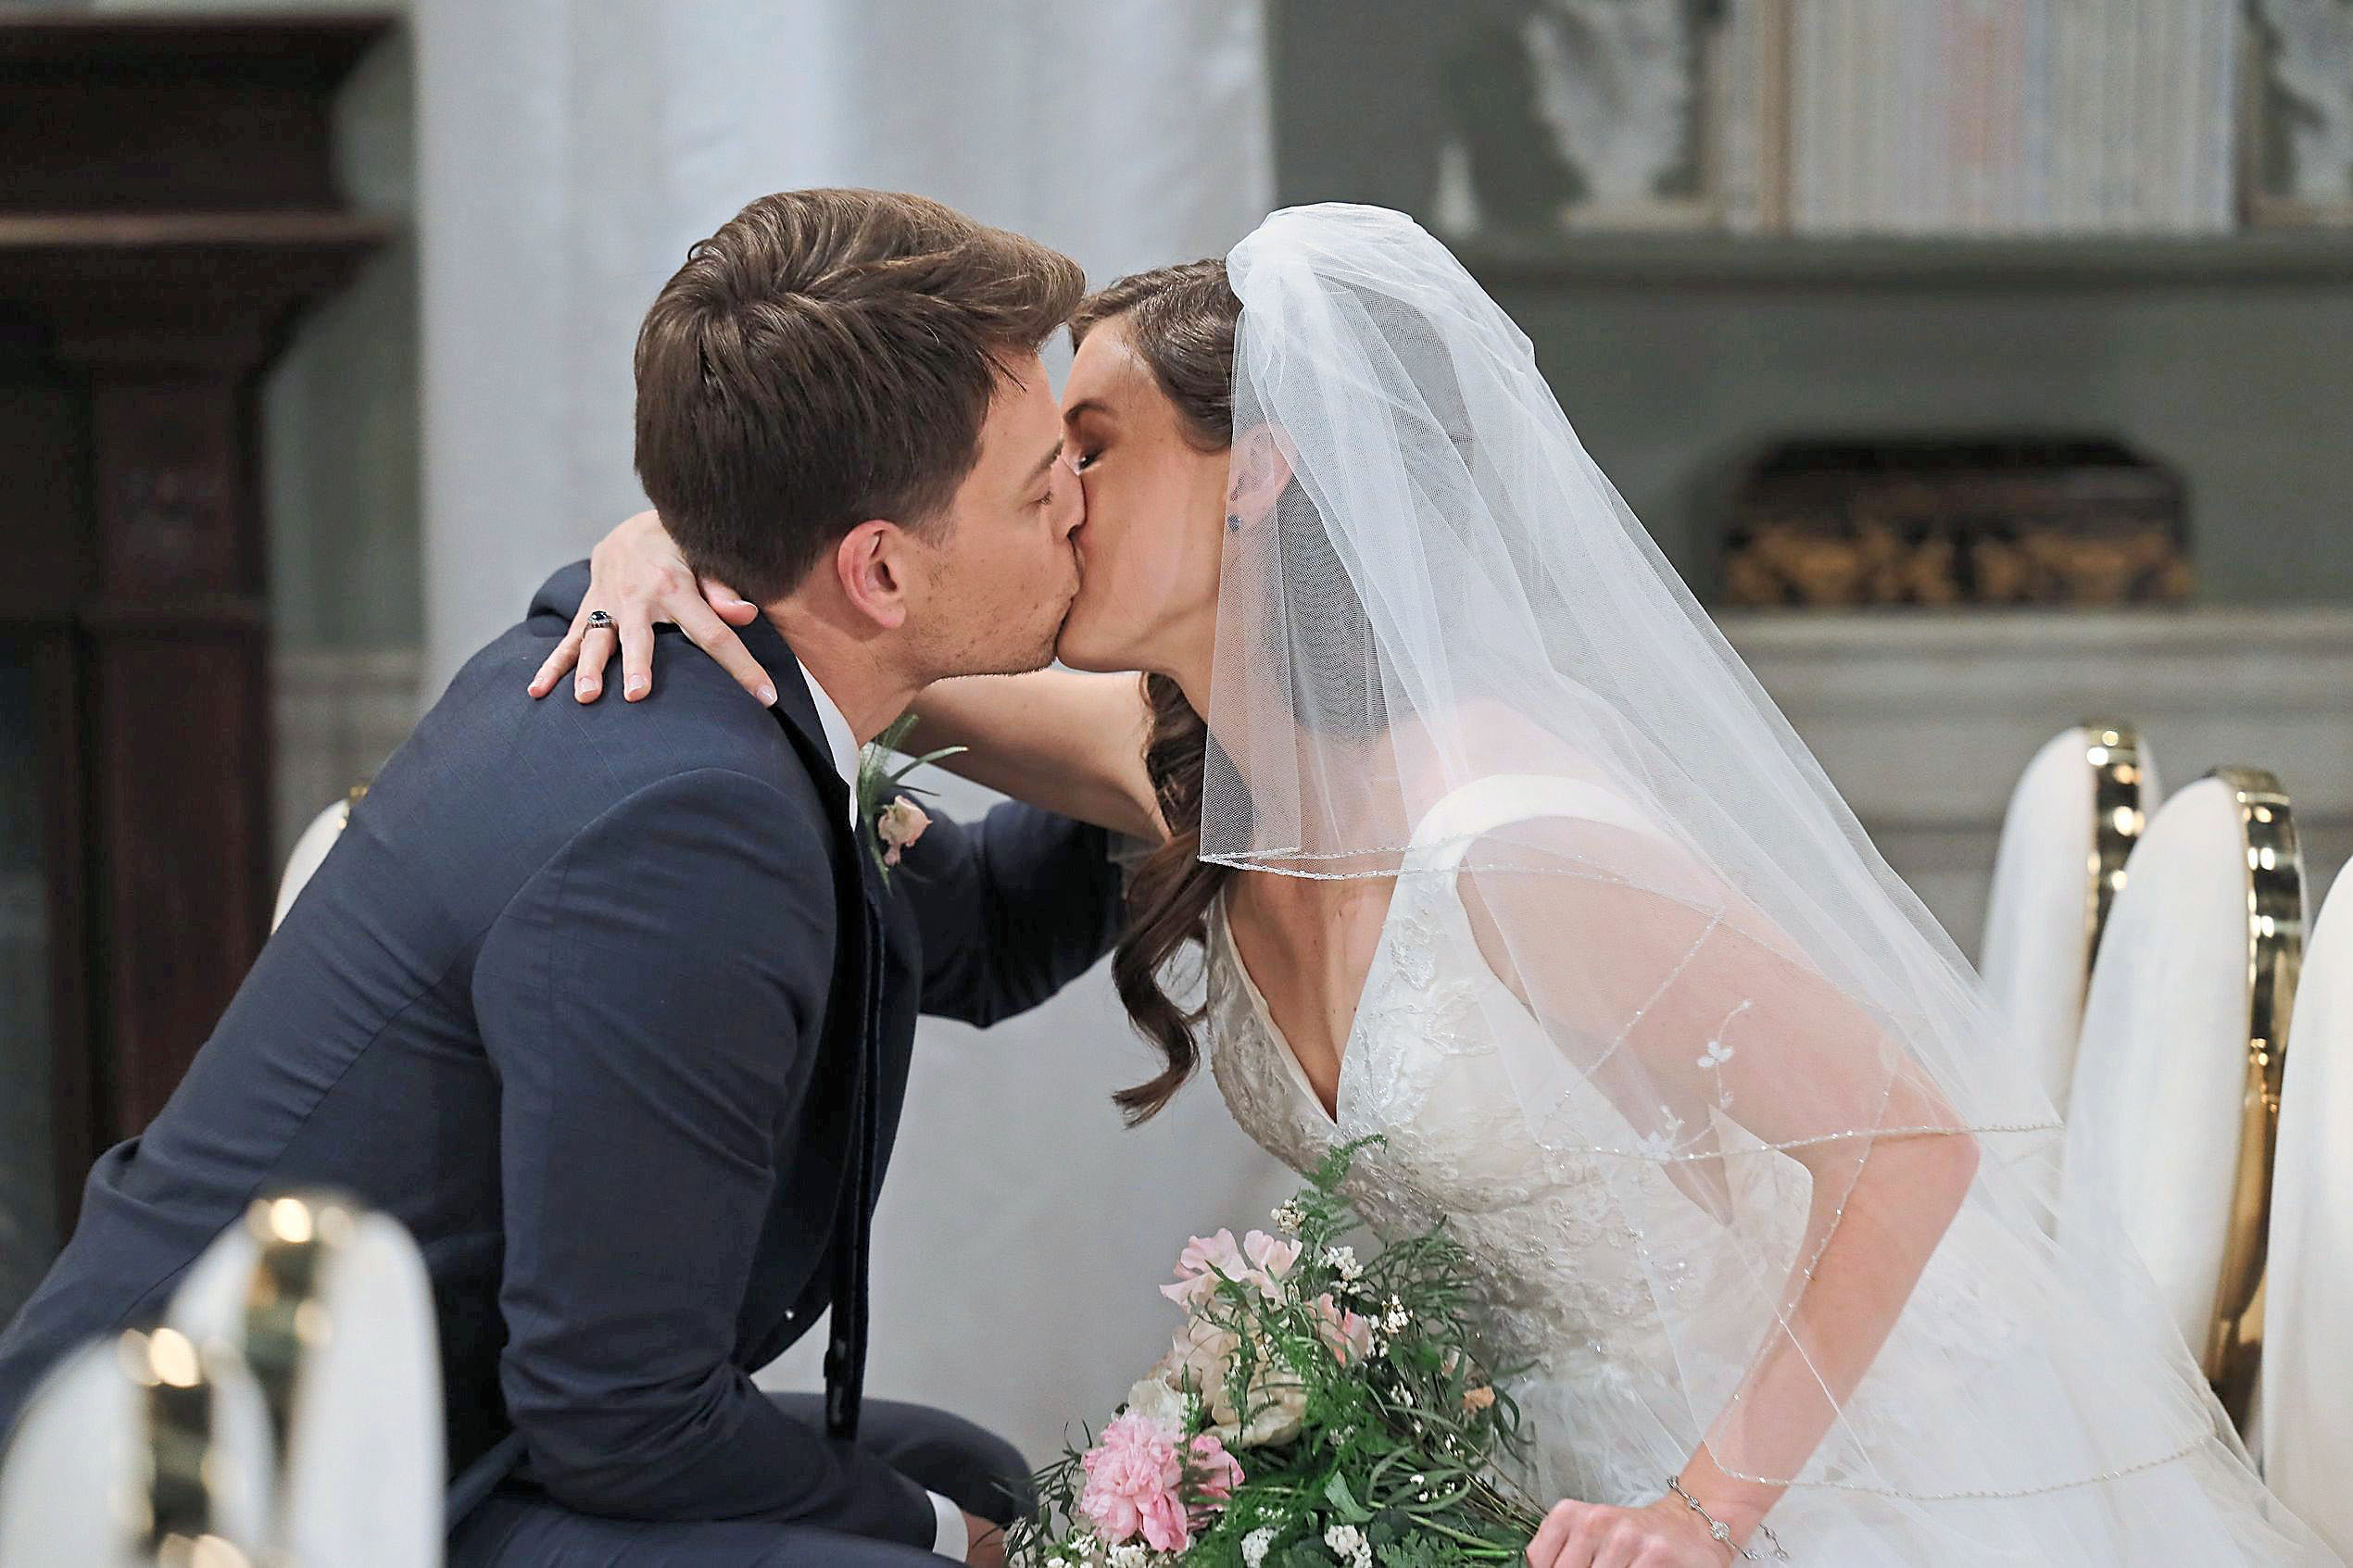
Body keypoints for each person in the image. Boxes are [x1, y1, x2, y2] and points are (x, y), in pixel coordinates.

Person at [562, 203, 2337, 1566]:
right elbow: (852, 620)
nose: (1052, 494)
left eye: (1091, 443)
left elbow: (1907, 1143)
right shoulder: (1190, 767)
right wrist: (664, 544)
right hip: (1491, 1485)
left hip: (1767, 1477)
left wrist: (1701, 1510)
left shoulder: (1511, 840)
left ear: (1259, 474)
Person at [0, 189, 1130, 1568]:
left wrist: (1200, 709)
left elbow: (991, 933)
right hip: (220, 1484)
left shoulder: (704, 686)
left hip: (450, 1412)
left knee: (967, 1468)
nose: (1080, 506)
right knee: (945, 1525)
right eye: (1040, 487)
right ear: (878, 571)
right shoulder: (690, 823)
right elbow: (623, 1414)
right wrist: (955, 1543)